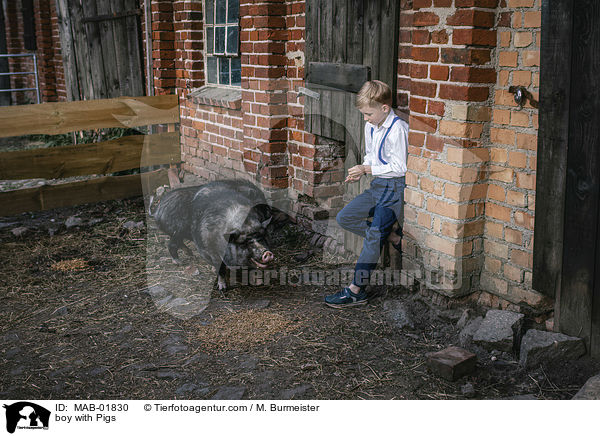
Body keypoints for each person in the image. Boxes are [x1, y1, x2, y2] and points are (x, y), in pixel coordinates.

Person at [325, 80, 408, 308]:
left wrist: (367, 169)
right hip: (378, 185)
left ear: (385, 108)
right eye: (363, 114)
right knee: (345, 217)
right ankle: (391, 237)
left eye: (368, 114)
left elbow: (401, 167)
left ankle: (356, 290)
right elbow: (372, 155)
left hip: (394, 188)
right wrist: (361, 171)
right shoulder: (371, 125)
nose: (365, 119)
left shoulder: (397, 129)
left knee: (372, 236)